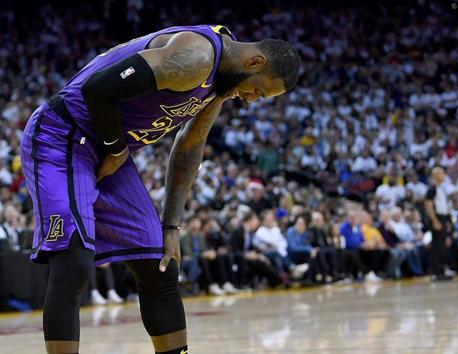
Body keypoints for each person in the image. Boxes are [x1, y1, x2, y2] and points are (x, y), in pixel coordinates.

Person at [20, 23, 299, 354]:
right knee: (73, 262)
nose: (252, 100)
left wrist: (171, 226)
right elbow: (99, 89)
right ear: (255, 63)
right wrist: (116, 150)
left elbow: (189, 148)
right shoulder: (196, 56)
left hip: (110, 149)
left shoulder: (220, 84)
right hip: (62, 135)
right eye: (259, 91)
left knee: (160, 262)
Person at [230, 212, 284, 289]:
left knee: (264, 260)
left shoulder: (250, 233)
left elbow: (253, 248)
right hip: (240, 259)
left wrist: (259, 255)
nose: (257, 222)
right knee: (260, 264)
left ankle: (276, 281)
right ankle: (280, 280)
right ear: (250, 220)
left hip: (250, 258)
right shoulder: (237, 232)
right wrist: (246, 255)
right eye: (255, 220)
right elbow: (233, 250)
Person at [425, 167, 454, 280]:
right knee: (436, 247)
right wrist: (434, 220)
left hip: (442, 218)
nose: (443, 175)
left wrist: (447, 221)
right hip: (436, 219)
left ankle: (441, 270)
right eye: (441, 173)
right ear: (436, 175)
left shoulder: (441, 188)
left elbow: (443, 207)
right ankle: (435, 272)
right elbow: (428, 205)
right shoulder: (432, 189)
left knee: (441, 246)